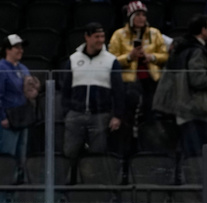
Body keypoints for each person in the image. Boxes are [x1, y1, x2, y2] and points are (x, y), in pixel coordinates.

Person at [60, 23, 125, 161]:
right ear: (87, 37)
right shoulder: (73, 59)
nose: (101, 40)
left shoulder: (111, 61)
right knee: (70, 152)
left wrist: (117, 115)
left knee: (97, 155)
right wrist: (67, 112)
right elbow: (65, 89)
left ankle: (92, 182)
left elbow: (119, 91)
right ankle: (70, 181)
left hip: (100, 116)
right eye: (97, 37)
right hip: (76, 114)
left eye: (102, 36)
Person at [153, 15, 207, 157]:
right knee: (196, 154)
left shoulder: (180, 48)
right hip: (194, 108)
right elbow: (198, 80)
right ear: (203, 30)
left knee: (188, 152)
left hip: (180, 106)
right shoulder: (196, 51)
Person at [108, 1, 169, 138]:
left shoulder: (155, 33)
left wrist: (152, 57)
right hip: (128, 83)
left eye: (144, 15)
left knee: (150, 115)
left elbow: (165, 56)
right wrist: (129, 57)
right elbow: (111, 60)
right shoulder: (118, 35)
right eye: (138, 15)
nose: (142, 18)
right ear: (130, 17)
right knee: (128, 117)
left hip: (151, 81)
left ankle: (147, 146)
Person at [0, 34, 38, 172]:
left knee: (20, 156)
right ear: (7, 50)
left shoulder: (23, 68)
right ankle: (4, 187)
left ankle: (18, 187)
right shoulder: (0, 69)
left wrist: (33, 91)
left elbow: (28, 91)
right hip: (7, 119)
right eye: (16, 47)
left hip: (22, 116)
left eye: (21, 47)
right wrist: (2, 117)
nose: (20, 50)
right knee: (7, 157)